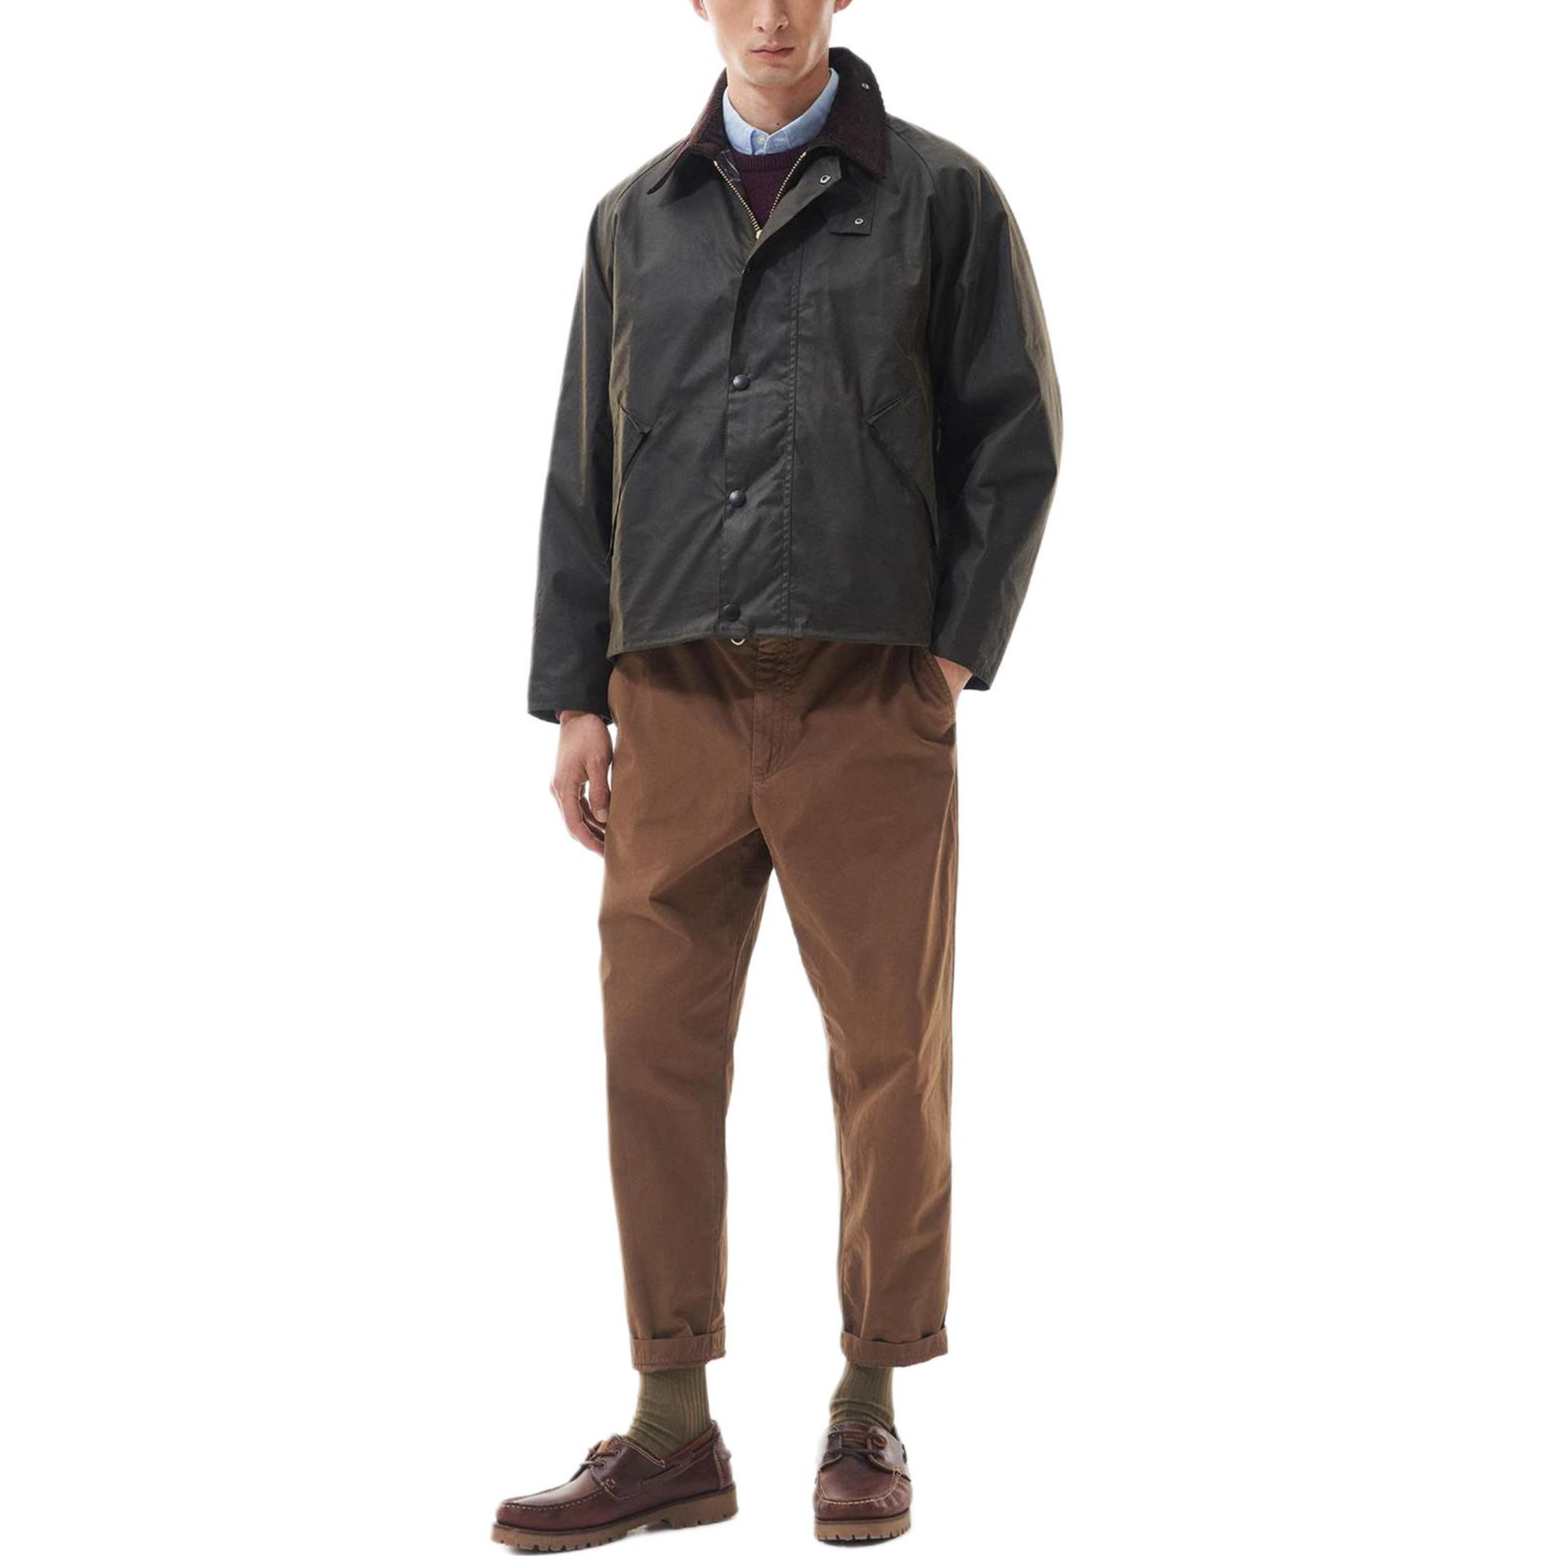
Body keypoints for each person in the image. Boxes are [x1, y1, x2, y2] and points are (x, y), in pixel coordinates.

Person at [493, 2, 1060, 1546]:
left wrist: (946, 658)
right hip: (668, 694)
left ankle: (868, 1407)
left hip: (867, 692)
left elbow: (1015, 437)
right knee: (652, 1054)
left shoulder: (942, 197)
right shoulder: (633, 221)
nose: (770, 11)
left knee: (890, 1057)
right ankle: (671, 1430)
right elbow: (583, 469)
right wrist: (577, 698)